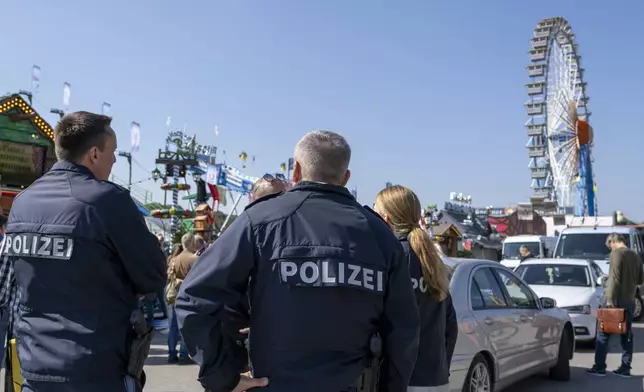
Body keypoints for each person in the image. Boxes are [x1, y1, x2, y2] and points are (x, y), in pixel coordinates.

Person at [176, 130, 420, 392]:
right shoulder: (380, 236)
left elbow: (193, 299)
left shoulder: (259, 222)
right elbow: (404, 332)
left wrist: (222, 376)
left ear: (296, 171)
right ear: (346, 176)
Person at [0, 111, 167, 392]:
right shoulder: (108, 201)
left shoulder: (22, 203)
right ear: (93, 154)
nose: (114, 160)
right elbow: (153, 275)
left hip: (34, 368)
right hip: (96, 370)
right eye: (112, 152)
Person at [374, 185, 457, 392]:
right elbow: (450, 325)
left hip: (400, 380)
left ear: (385, 219)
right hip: (435, 378)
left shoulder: (389, 259)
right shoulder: (433, 261)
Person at [588, 233, 644, 378]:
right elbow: (640, 280)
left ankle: (599, 367)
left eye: (609, 245)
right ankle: (625, 368)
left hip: (615, 299)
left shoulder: (616, 254)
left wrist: (610, 300)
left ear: (613, 241)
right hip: (630, 300)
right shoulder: (636, 255)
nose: (609, 249)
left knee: (603, 333)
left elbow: (615, 278)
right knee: (626, 334)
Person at [166, 243, 191, 363]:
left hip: (172, 296)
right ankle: (183, 355)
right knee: (184, 326)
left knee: (173, 327)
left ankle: (171, 354)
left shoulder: (172, 260)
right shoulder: (191, 258)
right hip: (184, 296)